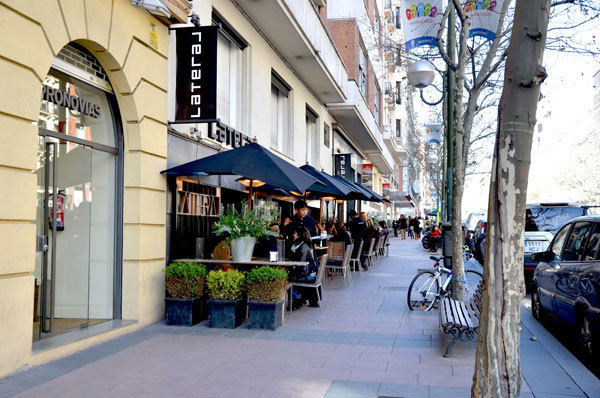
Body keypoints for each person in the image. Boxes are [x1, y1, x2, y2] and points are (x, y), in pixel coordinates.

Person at [287, 226, 320, 308]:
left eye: (295, 233)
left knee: (284, 280)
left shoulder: (304, 246)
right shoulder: (296, 245)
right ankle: (298, 298)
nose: (293, 234)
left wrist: (290, 268)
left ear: (299, 235)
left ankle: (297, 297)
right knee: (287, 276)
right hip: (304, 272)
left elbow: (301, 263)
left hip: (307, 274)